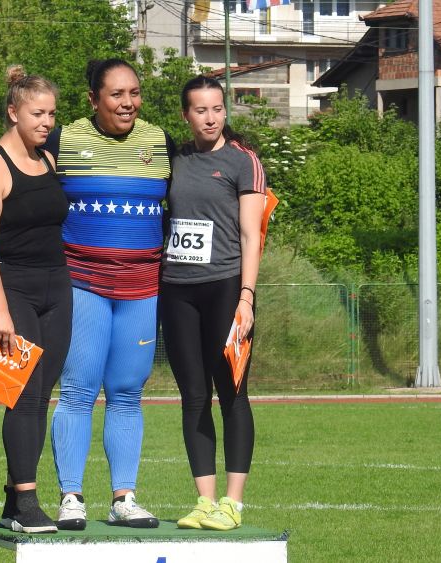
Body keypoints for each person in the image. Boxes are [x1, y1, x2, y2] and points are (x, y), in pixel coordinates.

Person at [43, 58, 174, 530]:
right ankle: (71, 497)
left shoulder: (160, 141)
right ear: (93, 99)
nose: (127, 102)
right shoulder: (63, 140)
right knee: (78, 390)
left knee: (127, 393)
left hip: (142, 290)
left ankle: (124, 498)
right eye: (116, 94)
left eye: (134, 92)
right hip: (83, 286)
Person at [159, 76, 267, 531]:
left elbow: (250, 236)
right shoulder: (174, 159)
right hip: (177, 290)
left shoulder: (244, 161)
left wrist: (246, 297)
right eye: (201, 110)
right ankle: (204, 502)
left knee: (232, 394)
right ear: (186, 115)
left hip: (226, 290)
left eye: (218, 109)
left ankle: (232, 504)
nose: (210, 118)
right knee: (193, 396)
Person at [0, 66, 71, 534]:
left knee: (41, 395)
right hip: (11, 292)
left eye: (51, 114)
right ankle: (27, 501)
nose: (46, 122)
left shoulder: (47, 159)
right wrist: (0, 311)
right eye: (37, 113)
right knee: (22, 396)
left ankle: (13, 499)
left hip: (56, 289)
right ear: (13, 112)